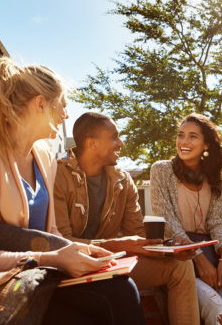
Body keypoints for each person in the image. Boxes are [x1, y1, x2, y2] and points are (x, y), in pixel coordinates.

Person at [0, 57, 146, 325]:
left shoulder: (44, 156)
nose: (65, 115)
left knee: (121, 289)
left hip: (39, 277)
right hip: (0, 287)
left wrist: (79, 249)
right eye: (62, 106)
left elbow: (49, 233)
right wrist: (51, 258)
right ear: (40, 103)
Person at [54, 112, 200, 325]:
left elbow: (138, 236)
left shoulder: (122, 181)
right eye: (114, 137)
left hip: (108, 265)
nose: (120, 143)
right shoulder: (57, 175)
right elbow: (60, 242)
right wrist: (115, 245)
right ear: (91, 143)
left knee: (179, 266)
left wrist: (169, 247)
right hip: (69, 269)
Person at [150, 114, 222, 325]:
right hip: (181, 262)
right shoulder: (161, 170)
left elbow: (220, 222)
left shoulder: (217, 176)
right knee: (221, 314)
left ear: (206, 144)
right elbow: (168, 223)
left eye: (192, 136)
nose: (184, 141)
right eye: (181, 135)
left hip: (214, 258)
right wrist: (199, 259)